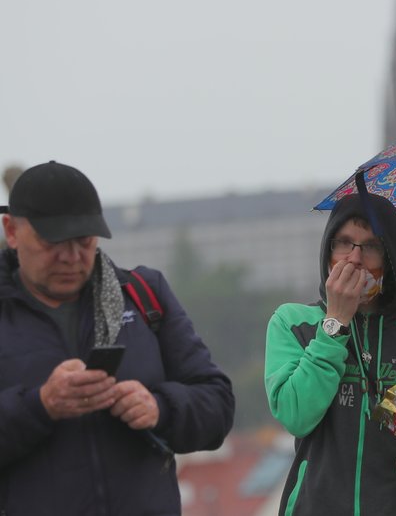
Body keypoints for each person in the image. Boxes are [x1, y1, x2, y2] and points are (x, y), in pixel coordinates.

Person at [0, 160, 235, 515]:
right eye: (53, 242)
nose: (71, 257)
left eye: (84, 241)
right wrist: (40, 405)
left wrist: (159, 408)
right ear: (12, 231)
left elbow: (217, 406)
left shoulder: (144, 295)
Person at [264, 191, 396, 515]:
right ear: (327, 252)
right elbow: (296, 414)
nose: (354, 258)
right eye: (343, 243)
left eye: (372, 246)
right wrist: (335, 323)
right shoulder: (293, 323)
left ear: (391, 260)